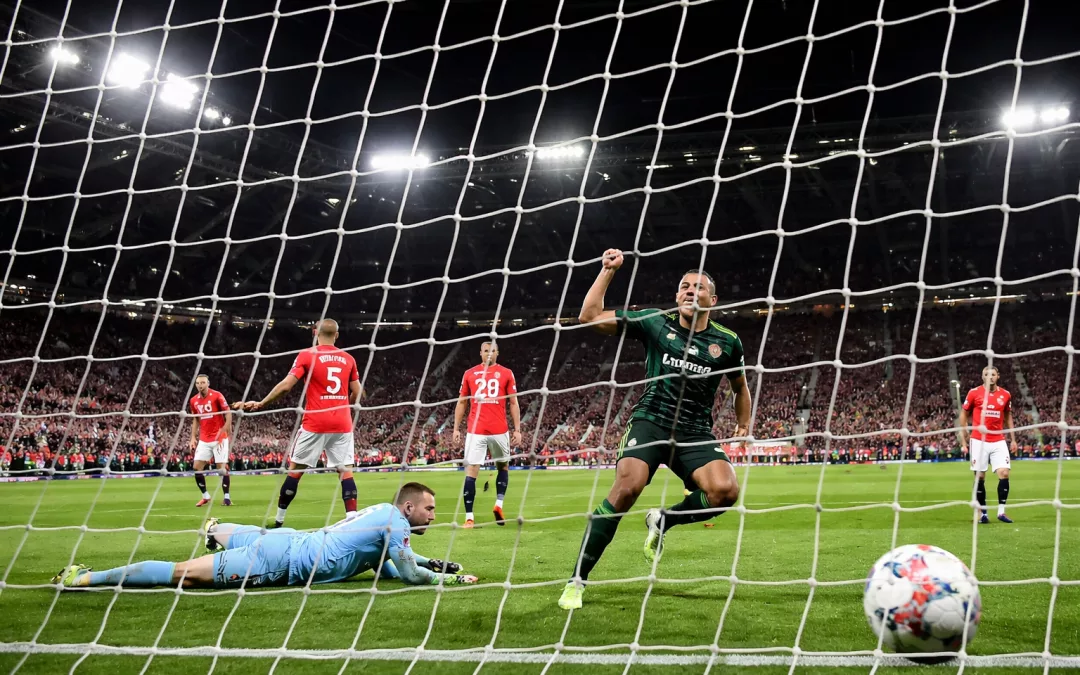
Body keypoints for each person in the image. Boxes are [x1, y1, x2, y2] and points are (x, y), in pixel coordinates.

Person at [558, 249, 751, 610]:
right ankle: (576, 581)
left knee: (726, 491)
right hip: (651, 421)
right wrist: (607, 271)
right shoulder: (654, 322)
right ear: (677, 296)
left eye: (699, 287)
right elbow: (588, 316)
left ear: (714, 299)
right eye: (684, 286)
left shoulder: (728, 341)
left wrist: (743, 422)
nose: (691, 291)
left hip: (695, 431)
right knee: (626, 488)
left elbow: (740, 386)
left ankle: (664, 519)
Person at [52, 482, 477, 589]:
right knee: (182, 573)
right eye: (430, 509)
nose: (434, 515)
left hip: (288, 539)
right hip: (279, 563)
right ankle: (84, 579)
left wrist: (428, 561)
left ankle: (216, 530)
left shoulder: (383, 515)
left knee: (239, 535)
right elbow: (406, 576)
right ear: (409, 509)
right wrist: (448, 577)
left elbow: (388, 562)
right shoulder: (397, 526)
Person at [233, 319, 363, 528]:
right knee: (345, 472)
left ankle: (279, 520)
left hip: (315, 421)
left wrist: (262, 403)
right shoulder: (348, 359)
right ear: (337, 335)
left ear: (314, 333)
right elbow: (357, 393)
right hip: (342, 423)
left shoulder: (307, 355)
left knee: (295, 471)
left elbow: (286, 386)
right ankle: (352, 520)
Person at [453, 341, 522, 527]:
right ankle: (473, 515)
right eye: (485, 351)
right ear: (480, 353)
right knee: (484, 469)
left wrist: (517, 428)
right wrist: (456, 427)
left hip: (495, 429)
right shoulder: (469, 374)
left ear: (498, 353)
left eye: (492, 351)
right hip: (478, 430)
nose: (489, 354)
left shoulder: (506, 373)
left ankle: (490, 509)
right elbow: (462, 402)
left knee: (497, 467)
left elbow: (513, 402)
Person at [960, 365, 1016, 524]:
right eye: (986, 374)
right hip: (978, 440)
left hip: (998, 439)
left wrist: (1013, 438)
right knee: (980, 476)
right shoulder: (974, 393)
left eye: (993, 374)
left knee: (1004, 473)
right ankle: (982, 513)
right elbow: (964, 414)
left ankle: (1001, 512)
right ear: (982, 376)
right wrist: (964, 435)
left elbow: (1008, 416)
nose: (990, 376)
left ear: (998, 376)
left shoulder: (1005, 395)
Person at [188, 374, 233, 506]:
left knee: (221, 468)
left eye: (202, 383)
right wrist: (192, 438)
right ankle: (205, 496)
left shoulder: (217, 396)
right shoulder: (193, 401)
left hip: (219, 438)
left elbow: (228, 412)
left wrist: (225, 429)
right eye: (197, 383)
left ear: (208, 383)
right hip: (204, 439)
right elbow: (196, 419)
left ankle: (227, 497)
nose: (200, 385)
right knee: (197, 467)